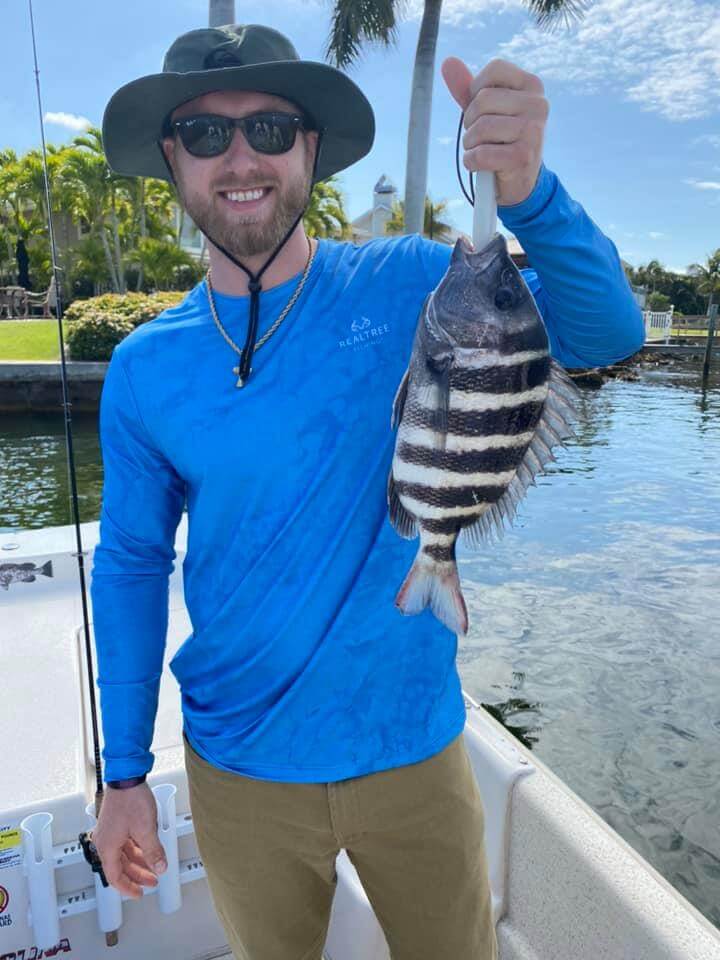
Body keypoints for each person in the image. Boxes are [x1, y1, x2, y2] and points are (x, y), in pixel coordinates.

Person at [89, 23, 645, 960]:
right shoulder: (147, 369)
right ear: (172, 158)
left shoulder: (415, 283)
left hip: (416, 748)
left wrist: (532, 192)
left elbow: (604, 332)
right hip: (241, 768)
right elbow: (133, 565)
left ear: (309, 150)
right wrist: (124, 774)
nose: (240, 158)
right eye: (206, 133)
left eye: (270, 130)